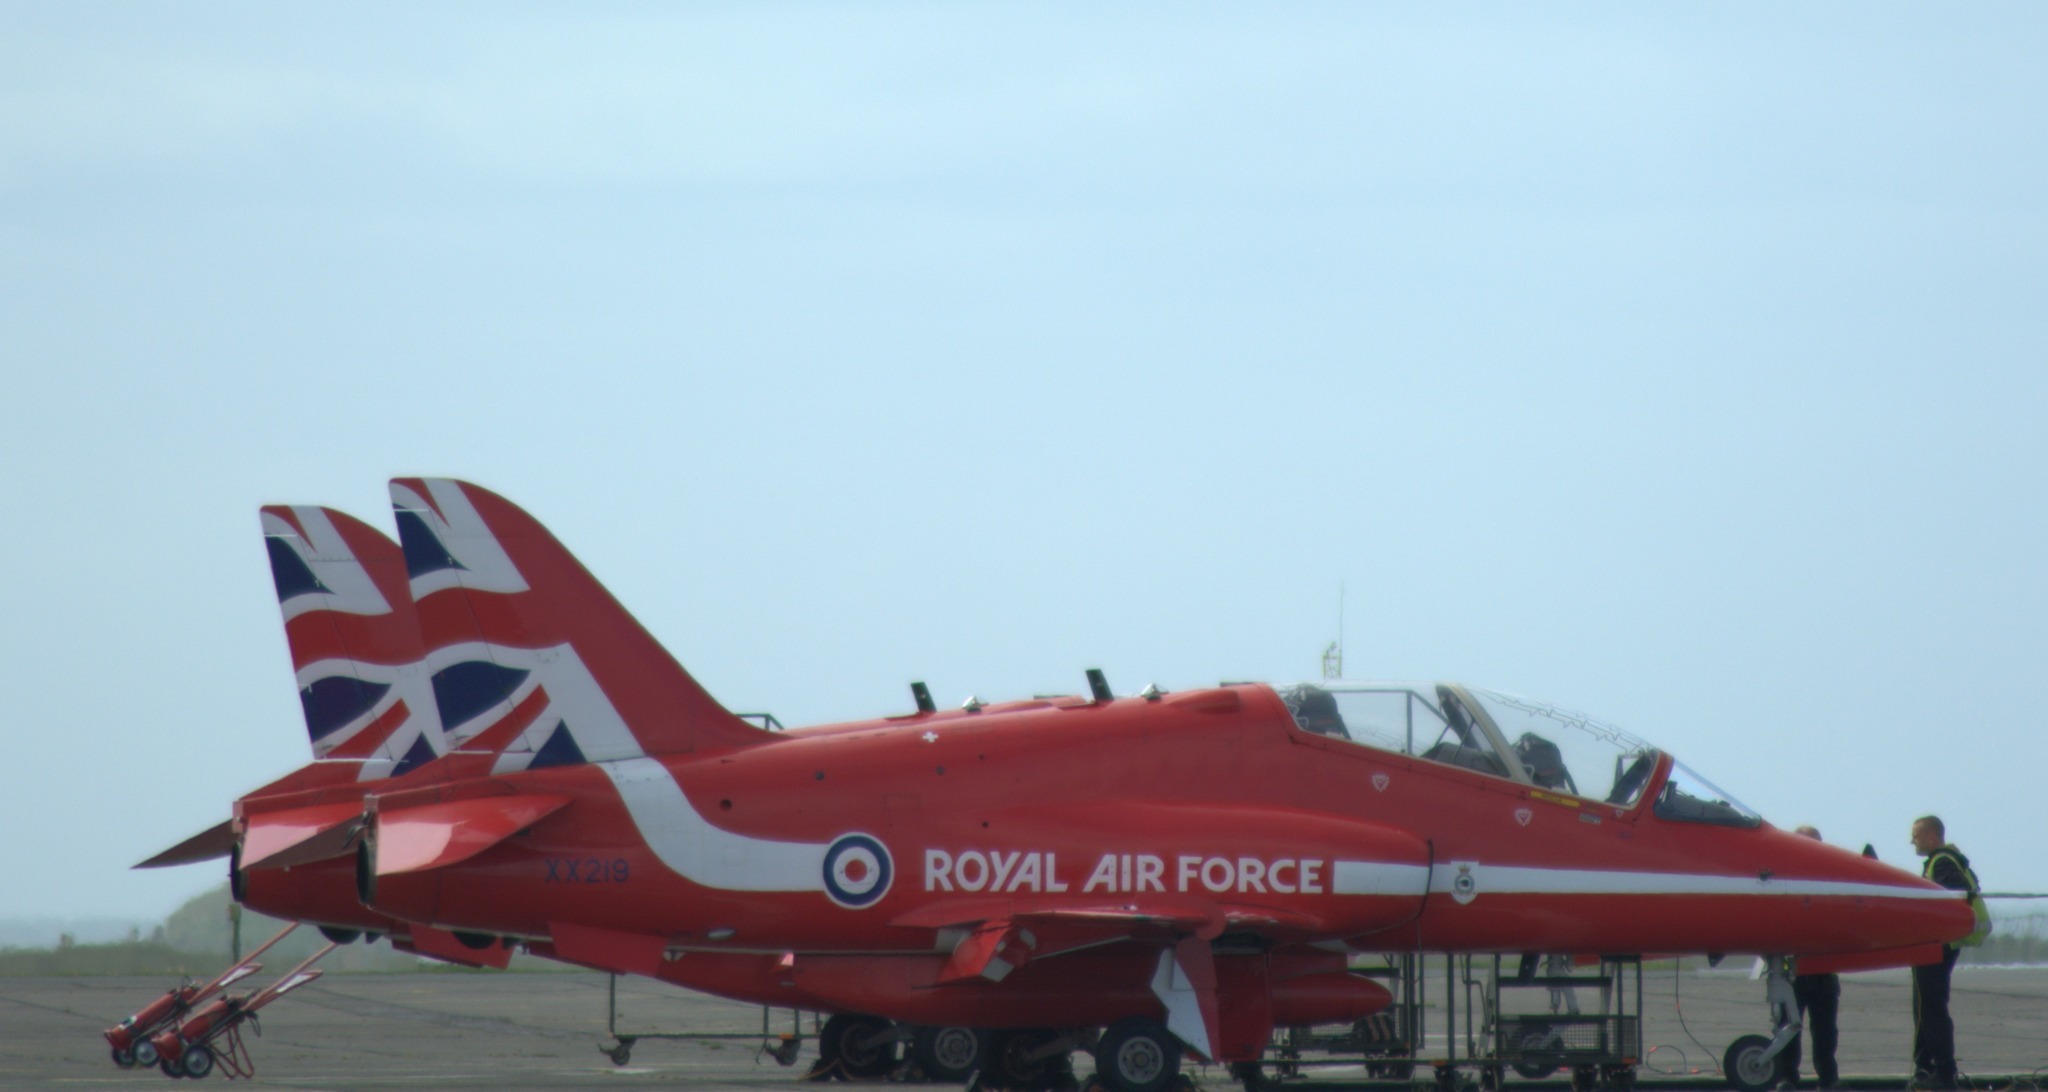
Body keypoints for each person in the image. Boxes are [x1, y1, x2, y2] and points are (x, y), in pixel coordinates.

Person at [1910, 815, 1976, 1090]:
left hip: (1938, 946)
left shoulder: (1943, 861)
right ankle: (1925, 1068)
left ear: (1931, 838)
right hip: (1937, 946)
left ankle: (1944, 1072)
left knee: (1932, 1009)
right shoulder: (1946, 860)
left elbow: (1958, 895)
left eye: (1915, 836)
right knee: (1926, 1007)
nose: (1911, 841)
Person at [1777, 826, 1840, 1090]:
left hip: (1824, 969)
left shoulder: (1831, 879)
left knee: (1825, 1031)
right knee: (1787, 1028)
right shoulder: (1783, 879)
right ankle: (1787, 1078)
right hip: (1790, 970)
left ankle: (1828, 1079)